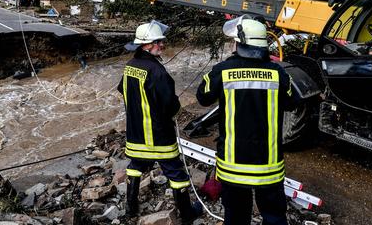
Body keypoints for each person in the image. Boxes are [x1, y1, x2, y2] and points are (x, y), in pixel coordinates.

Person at [196, 16, 295, 225]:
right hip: (269, 167)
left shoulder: (223, 71)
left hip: (233, 167)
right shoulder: (278, 73)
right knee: (275, 217)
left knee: (236, 217)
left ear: (240, 43)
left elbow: (203, 97)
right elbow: (292, 102)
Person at [118, 21, 202, 223]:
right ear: (146, 45)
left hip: (136, 135)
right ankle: (187, 214)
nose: (163, 44)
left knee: (135, 166)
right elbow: (171, 107)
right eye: (159, 41)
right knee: (176, 174)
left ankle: (131, 209)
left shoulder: (130, 67)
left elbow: (123, 90)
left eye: (162, 40)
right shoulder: (158, 72)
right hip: (159, 137)